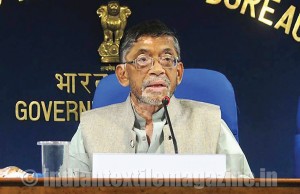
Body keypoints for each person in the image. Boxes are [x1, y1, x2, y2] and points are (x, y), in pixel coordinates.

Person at [68, 20, 253, 178]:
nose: (158, 69)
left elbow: (244, 187)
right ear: (123, 74)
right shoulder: (90, 128)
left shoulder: (210, 123)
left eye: (166, 59)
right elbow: (66, 189)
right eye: (143, 60)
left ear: (178, 73)